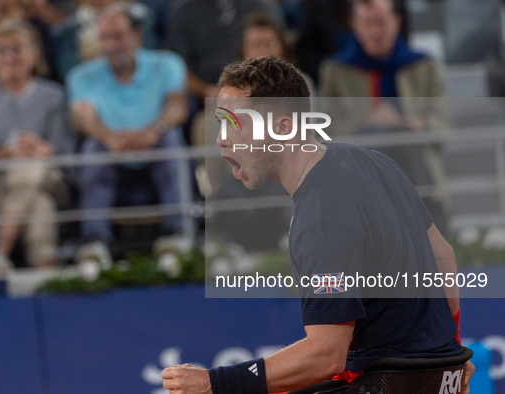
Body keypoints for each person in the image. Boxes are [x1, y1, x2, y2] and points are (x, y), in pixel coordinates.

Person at [161, 56, 474, 393]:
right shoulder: (375, 162)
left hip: (390, 382)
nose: (222, 139)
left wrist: (214, 383)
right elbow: (443, 256)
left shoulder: (321, 214)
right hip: (437, 375)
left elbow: (326, 355)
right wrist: (450, 355)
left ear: (283, 127)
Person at [67, 3, 187, 264]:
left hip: (155, 156)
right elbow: (83, 116)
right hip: (112, 163)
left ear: (137, 36)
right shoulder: (81, 76)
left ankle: (178, 234)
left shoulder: (167, 64)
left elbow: (177, 107)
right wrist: (110, 138)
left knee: (171, 140)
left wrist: (152, 132)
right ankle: (95, 241)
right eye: (104, 38)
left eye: (117, 36)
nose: (110, 45)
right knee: (92, 148)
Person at [319, 0, 450, 234]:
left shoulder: (422, 65)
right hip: (361, 166)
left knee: (404, 135)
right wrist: (366, 122)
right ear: (353, 25)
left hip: (414, 162)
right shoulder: (336, 71)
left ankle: (428, 221)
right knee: (374, 137)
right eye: (367, 23)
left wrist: (419, 123)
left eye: (381, 22)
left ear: (397, 22)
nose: (375, 32)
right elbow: (325, 130)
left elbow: (444, 124)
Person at [0, 19, 75, 272]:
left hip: (48, 177)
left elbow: (65, 147)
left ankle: (0, 251)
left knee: (31, 167)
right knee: (41, 204)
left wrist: (44, 149)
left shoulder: (53, 95)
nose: (10, 57)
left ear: (35, 53)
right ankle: (47, 275)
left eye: (17, 49)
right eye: (2, 50)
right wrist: (1, 152)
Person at [54, 0, 157, 81]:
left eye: (118, 35)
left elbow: (147, 53)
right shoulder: (70, 27)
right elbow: (67, 68)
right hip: (91, 83)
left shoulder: (139, 18)